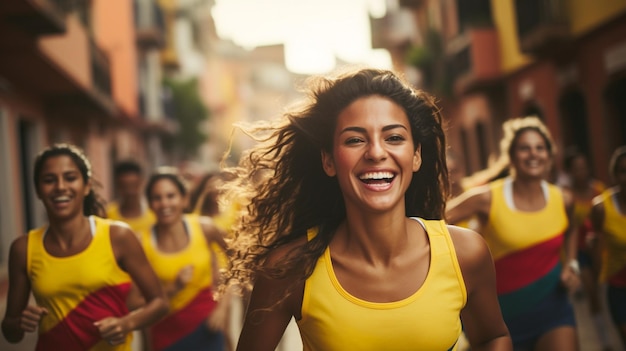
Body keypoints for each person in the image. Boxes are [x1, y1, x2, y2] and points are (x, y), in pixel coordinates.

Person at [223, 67, 511, 350]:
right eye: (355, 140)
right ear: (329, 161)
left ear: (416, 156)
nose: (375, 152)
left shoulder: (465, 254)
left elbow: (492, 337)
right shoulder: (290, 268)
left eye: (394, 138)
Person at [1, 143, 168, 350]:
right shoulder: (23, 248)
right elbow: (10, 333)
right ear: (38, 190)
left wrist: (126, 323)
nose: (60, 186)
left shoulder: (118, 236)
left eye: (70, 177)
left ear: (87, 186)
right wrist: (19, 323)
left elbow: (160, 302)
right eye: (49, 180)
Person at [446, 116, 581, 350]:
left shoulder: (563, 199)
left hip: (554, 310)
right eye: (524, 148)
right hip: (501, 322)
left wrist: (572, 264)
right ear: (511, 155)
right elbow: (436, 222)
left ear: (549, 156)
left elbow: (573, 228)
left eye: (540, 148)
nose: (533, 154)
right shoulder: (487, 198)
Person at [127, 167, 232, 351]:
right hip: (166, 336)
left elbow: (236, 263)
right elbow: (132, 301)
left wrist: (222, 309)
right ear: (150, 204)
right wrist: (172, 289)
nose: (164, 203)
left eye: (170, 196)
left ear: (184, 199)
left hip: (208, 328)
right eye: (157, 198)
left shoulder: (205, 228)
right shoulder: (140, 243)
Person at [590, 145, 626, 348]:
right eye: (623, 171)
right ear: (614, 175)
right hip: (617, 285)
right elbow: (595, 241)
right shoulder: (601, 207)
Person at [106, 160, 156, 235]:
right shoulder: (108, 215)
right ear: (118, 186)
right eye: (125, 187)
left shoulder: (154, 215)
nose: (130, 192)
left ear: (142, 182)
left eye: (134, 186)